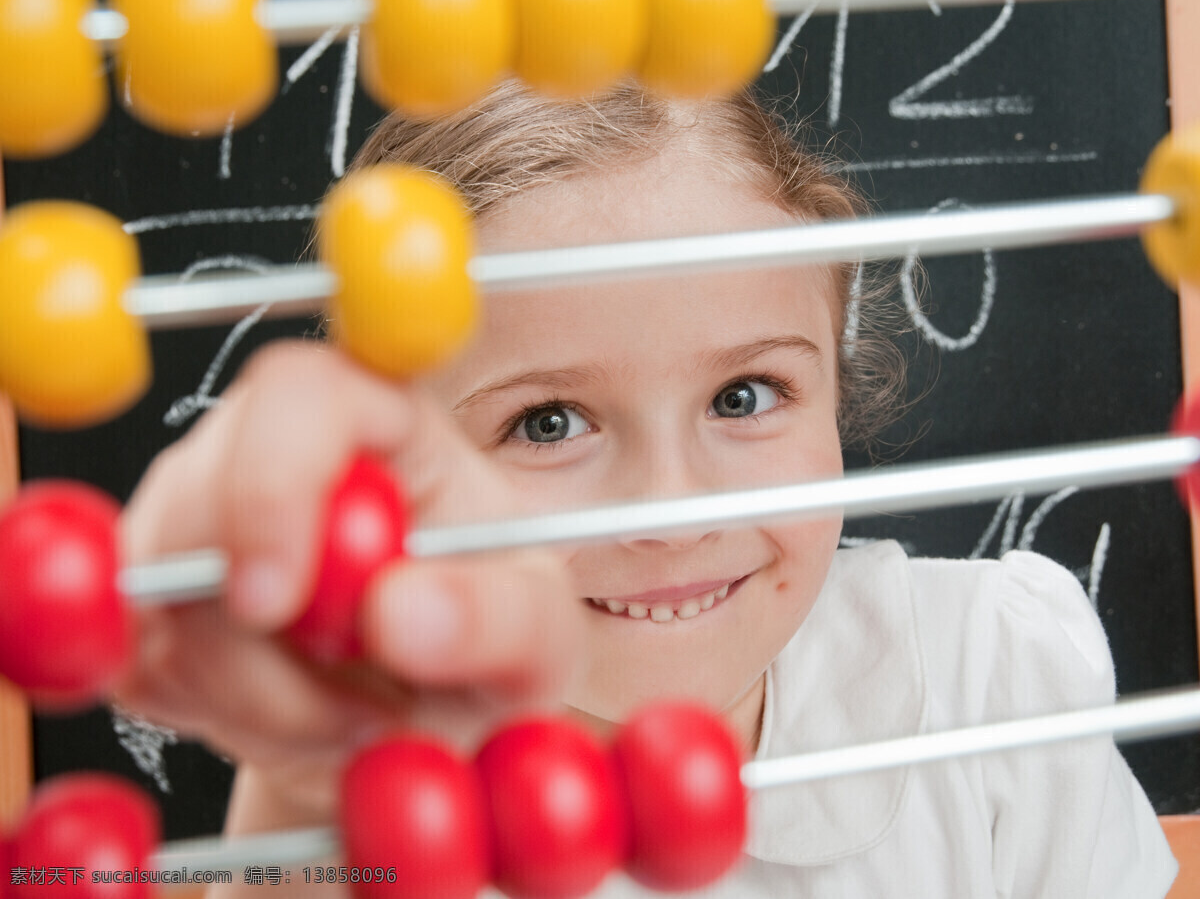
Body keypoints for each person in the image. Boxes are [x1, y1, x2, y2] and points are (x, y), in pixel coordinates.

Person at [116, 78, 1178, 897]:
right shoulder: (371, 816)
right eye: (547, 422)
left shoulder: (992, 682)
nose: (674, 510)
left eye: (746, 394)